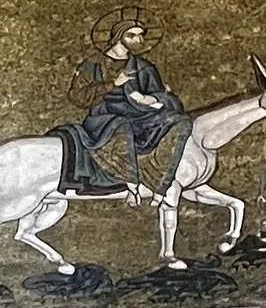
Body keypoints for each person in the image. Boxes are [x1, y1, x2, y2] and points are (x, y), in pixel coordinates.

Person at [62, 16, 185, 196]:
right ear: (118, 36)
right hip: (103, 116)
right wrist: (112, 84)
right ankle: (128, 182)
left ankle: (158, 181)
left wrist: (149, 98)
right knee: (121, 125)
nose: (138, 40)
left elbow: (162, 95)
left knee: (180, 121)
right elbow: (77, 96)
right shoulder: (93, 65)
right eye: (132, 35)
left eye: (140, 35)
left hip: (140, 114)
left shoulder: (144, 67)